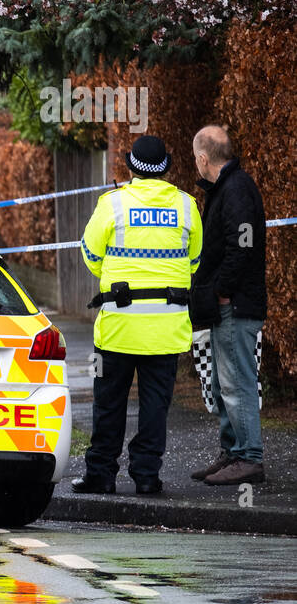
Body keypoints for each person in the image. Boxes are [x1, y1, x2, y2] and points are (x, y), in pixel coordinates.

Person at [72, 135, 203, 495]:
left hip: (118, 326)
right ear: (166, 168)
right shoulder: (187, 206)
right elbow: (193, 261)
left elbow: (89, 255)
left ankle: (101, 474)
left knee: (109, 403)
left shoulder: (112, 204)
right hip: (166, 328)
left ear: (130, 167)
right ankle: (147, 476)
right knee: (155, 407)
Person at [189, 125, 267, 485]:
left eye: (195, 159)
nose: (196, 165)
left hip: (235, 305)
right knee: (224, 384)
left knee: (237, 383)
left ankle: (249, 457)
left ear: (204, 158)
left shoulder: (234, 190)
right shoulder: (232, 187)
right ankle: (233, 452)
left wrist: (221, 290)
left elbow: (243, 247)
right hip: (233, 303)